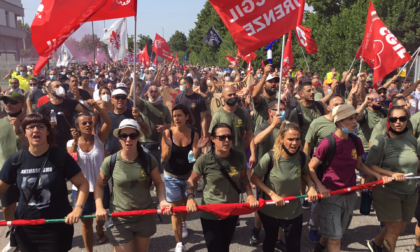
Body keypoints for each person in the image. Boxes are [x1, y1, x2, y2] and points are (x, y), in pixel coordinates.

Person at [0, 114, 89, 252]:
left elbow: (83, 184)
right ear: (25, 132)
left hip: (56, 227)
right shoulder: (16, 160)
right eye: (30, 127)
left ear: (47, 131)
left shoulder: (60, 156)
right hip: (25, 227)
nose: (35, 130)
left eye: (40, 127)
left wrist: (78, 208)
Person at [309, 104, 391, 252]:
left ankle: (320, 245)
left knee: (338, 231)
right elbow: (310, 167)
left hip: (350, 194)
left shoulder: (355, 141)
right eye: (350, 119)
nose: (355, 122)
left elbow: (360, 165)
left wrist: (378, 175)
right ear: (339, 122)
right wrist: (319, 187)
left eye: (355, 118)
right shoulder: (328, 142)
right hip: (331, 195)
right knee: (336, 239)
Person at [94, 119, 172, 252]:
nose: (128, 139)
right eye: (124, 136)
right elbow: (99, 186)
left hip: (144, 215)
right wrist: (99, 207)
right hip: (119, 217)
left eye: (132, 135)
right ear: (119, 138)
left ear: (138, 137)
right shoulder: (110, 161)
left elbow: (159, 183)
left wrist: (163, 201)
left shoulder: (148, 159)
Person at [186, 123, 258, 252]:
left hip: (232, 210)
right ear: (213, 139)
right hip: (210, 212)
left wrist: (250, 194)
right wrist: (190, 198)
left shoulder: (239, 156)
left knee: (225, 246)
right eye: (222, 137)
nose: (227, 140)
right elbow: (192, 180)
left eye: (229, 137)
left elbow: (243, 178)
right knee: (214, 248)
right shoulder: (204, 160)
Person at [251, 121, 318, 252]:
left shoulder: (302, 157)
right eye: (290, 139)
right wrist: (272, 194)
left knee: (294, 247)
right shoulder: (269, 157)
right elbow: (254, 178)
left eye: (297, 139)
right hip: (270, 212)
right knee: (270, 241)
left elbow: (305, 174)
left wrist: (310, 186)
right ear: (281, 139)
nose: (294, 143)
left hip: (293, 212)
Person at [365, 106, 419, 252]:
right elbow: (369, 165)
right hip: (388, 191)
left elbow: (416, 162)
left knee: (398, 230)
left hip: (410, 192)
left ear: (407, 120)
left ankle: (376, 244)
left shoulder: (412, 140)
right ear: (389, 121)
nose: (398, 122)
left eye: (402, 119)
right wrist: (390, 174)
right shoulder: (381, 142)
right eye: (394, 119)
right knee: (394, 231)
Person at [161, 104, 209, 252]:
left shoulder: (194, 134)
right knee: (175, 210)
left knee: (184, 208)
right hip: (171, 177)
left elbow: (192, 160)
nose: (177, 118)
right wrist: (169, 146)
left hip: (188, 178)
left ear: (187, 116)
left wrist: (198, 148)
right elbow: (164, 158)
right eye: (174, 116)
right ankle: (179, 243)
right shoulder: (167, 133)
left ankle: (183, 223)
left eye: (180, 115)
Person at [66, 102, 112, 252]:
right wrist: (74, 142)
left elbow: (109, 122)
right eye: (83, 123)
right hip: (81, 190)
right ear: (77, 127)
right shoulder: (70, 143)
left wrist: (97, 109)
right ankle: (89, 250)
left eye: (90, 122)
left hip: (102, 186)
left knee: (101, 218)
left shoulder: (99, 139)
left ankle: (100, 231)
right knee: (85, 223)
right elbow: (70, 162)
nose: (87, 124)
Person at [249, 100, 286, 247]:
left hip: (282, 172)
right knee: (262, 205)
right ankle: (257, 230)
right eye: (279, 109)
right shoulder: (263, 126)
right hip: (265, 173)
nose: (282, 112)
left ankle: (278, 239)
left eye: (283, 109)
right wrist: (272, 126)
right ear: (270, 112)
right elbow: (256, 140)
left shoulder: (285, 126)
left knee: (282, 204)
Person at [0, 92, 28, 252]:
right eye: (5, 102)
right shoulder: (1, 123)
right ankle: (13, 236)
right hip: (5, 173)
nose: (8, 104)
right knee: (7, 208)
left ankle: (33, 234)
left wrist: (19, 129)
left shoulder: (33, 121)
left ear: (22, 104)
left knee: (31, 206)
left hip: (28, 172)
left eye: (12, 102)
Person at [129, 83, 171, 174]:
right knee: (147, 172)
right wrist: (134, 78)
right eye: (151, 92)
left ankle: (157, 187)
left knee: (159, 172)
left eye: (155, 92)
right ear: (147, 94)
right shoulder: (144, 104)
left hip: (160, 144)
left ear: (159, 94)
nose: (153, 94)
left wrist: (164, 127)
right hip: (146, 144)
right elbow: (132, 95)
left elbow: (170, 123)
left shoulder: (164, 108)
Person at [37, 80, 88, 150]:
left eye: (61, 86)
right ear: (50, 91)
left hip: (71, 140)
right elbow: (36, 122)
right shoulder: (44, 108)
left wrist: (78, 98)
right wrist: (46, 124)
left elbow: (87, 111)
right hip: (54, 142)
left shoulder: (71, 103)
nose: (60, 88)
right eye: (57, 86)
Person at [103, 89, 149, 155]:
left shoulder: (134, 114)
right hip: (113, 156)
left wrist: (138, 119)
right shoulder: (107, 118)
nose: (120, 100)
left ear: (126, 100)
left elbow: (146, 132)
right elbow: (103, 139)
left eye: (123, 97)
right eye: (117, 97)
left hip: (132, 156)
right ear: (112, 100)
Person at [252, 64, 278, 129]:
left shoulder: (277, 102)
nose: (273, 84)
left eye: (275, 82)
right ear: (263, 85)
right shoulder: (261, 99)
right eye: (270, 81)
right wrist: (265, 75)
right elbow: (254, 95)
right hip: (261, 136)